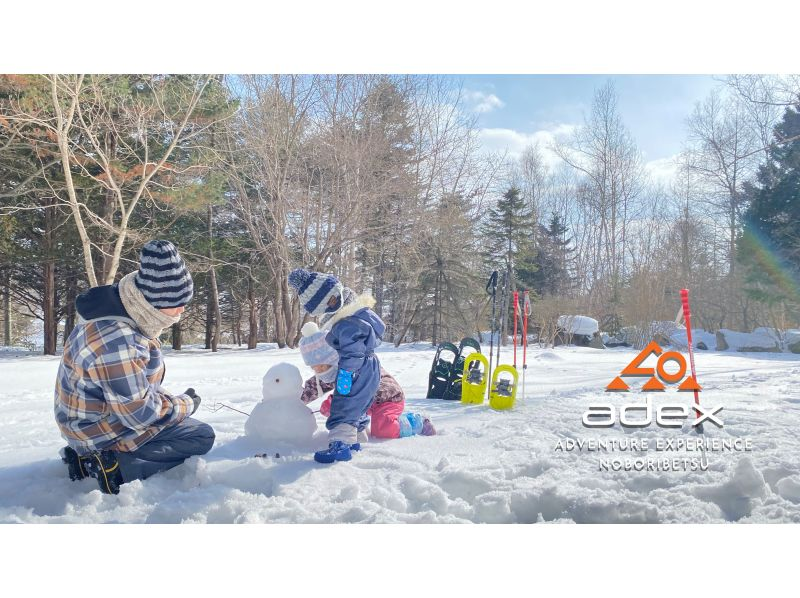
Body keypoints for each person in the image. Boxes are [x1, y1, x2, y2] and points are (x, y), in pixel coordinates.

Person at [54, 240, 215, 494]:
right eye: (178, 303)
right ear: (155, 302)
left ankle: (87, 459)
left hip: (87, 422)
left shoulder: (122, 311)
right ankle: (113, 467)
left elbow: (135, 389)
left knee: (178, 421)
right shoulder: (118, 340)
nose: (183, 309)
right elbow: (139, 415)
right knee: (201, 435)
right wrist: (184, 405)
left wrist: (169, 402)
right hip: (96, 432)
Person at [288, 268, 385, 463]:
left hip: (357, 368)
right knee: (357, 404)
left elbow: (352, 352)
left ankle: (340, 446)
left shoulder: (347, 324)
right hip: (370, 367)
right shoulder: (359, 316)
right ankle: (352, 440)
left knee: (343, 406)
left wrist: (346, 373)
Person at [298, 322, 435, 439]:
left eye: (323, 366)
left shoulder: (354, 366)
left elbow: (358, 392)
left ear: (334, 358)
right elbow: (313, 388)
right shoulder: (327, 372)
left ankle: (416, 422)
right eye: (315, 369)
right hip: (365, 403)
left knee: (383, 430)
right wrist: (292, 402)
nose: (320, 372)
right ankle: (359, 427)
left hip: (388, 398)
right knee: (339, 408)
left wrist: (335, 402)